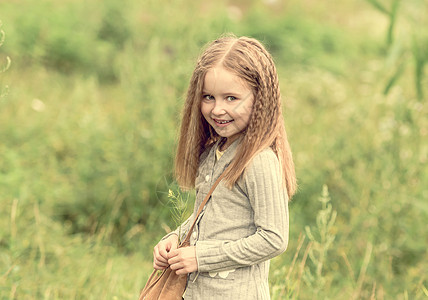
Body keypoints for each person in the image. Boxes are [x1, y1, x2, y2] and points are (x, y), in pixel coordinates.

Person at [152, 34, 297, 299]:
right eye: (208, 97)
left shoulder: (259, 161)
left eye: (231, 98)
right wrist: (175, 237)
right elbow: (210, 217)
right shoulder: (214, 150)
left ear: (260, 98)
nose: (218, 109)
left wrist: (201, 256)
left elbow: (274, 238)